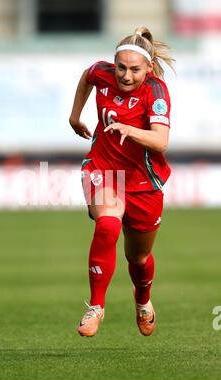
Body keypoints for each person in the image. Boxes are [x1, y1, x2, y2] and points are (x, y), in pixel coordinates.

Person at [69, 27, 175, 337]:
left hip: (143, 181)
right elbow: (87, 76)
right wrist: (75, 117)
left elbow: (161, 141)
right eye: (121, 67)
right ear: (113, 64)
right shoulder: (102, 72)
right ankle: (96, 307)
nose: (125, 75)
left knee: (138, 258)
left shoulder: (156, 92)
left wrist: (132, 131)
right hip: (104, 168)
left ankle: (142, 300)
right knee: (108, 225)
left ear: (149, 68)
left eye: (134, 69)